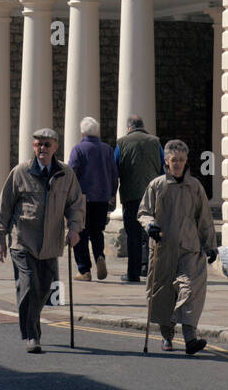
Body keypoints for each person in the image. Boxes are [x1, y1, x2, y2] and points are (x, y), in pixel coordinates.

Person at [0, 128, 85, 354]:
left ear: (55, 147)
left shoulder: (65, 173)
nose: (42, 148)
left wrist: (74, 229)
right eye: (38, 144)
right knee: (28, 285)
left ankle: (31, 326)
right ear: (33, 147)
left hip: (51, 244)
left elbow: (75, 205)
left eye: (46, 144)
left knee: (45, 289)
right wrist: (0, 238)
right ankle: (32, 335)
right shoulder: (20, 172)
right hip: (23, 241)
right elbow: (4, 206)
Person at [138, 138, 217, 355]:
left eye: (182, 160)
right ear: (166, 161)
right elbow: (144, 212)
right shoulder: (157, 185)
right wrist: (150, 225)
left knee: (190, 289)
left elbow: (204, 219)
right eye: (174, 160)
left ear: (186, 161)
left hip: (189, 248)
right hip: (163, 249)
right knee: (163, 294)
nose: (178, 164)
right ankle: (167, 335)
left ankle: (190, 337)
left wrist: (210, 245)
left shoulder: (195, 186)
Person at [115, 114, 164, 283]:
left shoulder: (121, 143)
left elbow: (115, 167)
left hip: (131, 195)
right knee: (150, 232)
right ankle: (149, 268)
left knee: (132, 234)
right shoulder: (155, 142)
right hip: (152, 195)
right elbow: (164, 167)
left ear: (129, 127)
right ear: (143, 126)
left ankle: (133, 273)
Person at [68, 117, 118, 281]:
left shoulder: (78, 149)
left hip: (82, 198)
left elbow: (72, 173)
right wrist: (112, 192)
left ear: (82, 133)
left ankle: (84, 270)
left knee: (80, 232)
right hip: (102, 198)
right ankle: (99, 256)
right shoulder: (107, 149)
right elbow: (113, 173)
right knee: (97, 232)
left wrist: (68, 195)